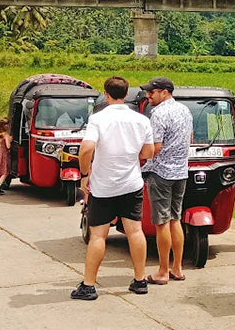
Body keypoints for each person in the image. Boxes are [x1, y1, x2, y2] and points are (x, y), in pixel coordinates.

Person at [71, 76, 153, 301]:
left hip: (103, 186)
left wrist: (85, 174)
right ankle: (140, 280)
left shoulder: (98, 119)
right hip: (131, 184)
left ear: (106, 95)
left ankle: (89, 286)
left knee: (99, 235)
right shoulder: (141, 120)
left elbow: (86, 149)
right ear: (126, 94)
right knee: (135, 231)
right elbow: (148, 152)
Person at [142, 77, 193, 283]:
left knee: (161, 222)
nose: (148, 96)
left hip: (161, 173)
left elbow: (155, 148)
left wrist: (139, 156)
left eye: (152, 92)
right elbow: (190, 139)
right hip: (181, 173)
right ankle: (177, 268)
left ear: (164, 92)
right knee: (175, 219)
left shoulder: (158, 113)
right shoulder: (185, 110)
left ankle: (163, 271)